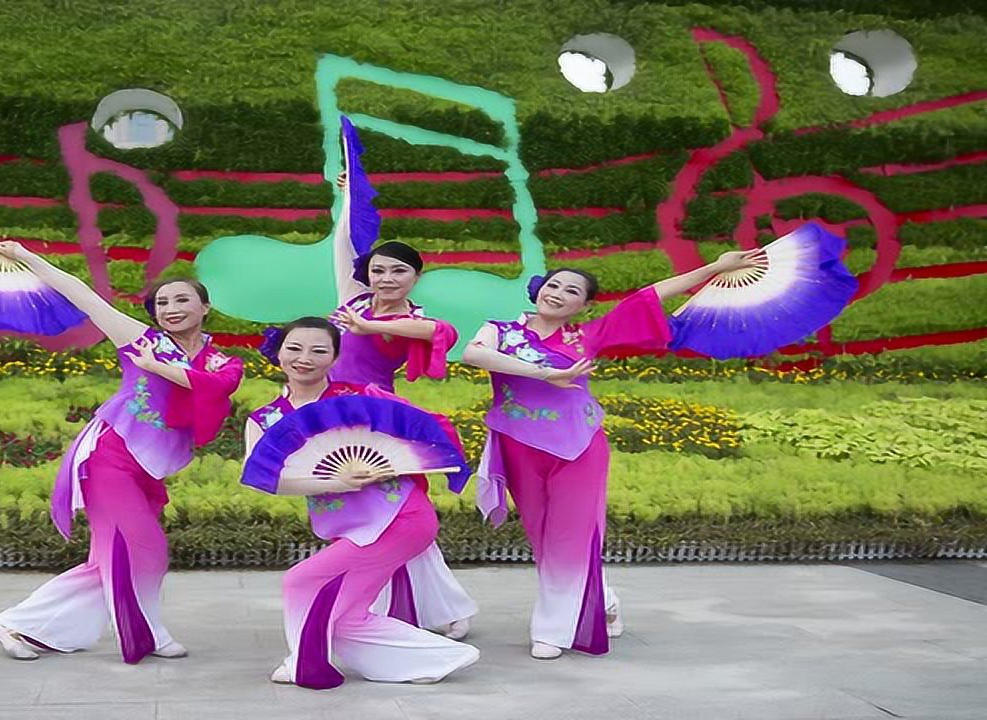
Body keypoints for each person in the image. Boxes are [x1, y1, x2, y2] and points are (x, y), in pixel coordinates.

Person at [462, 251, 760, 659]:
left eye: (572, 291)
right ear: (538, 290)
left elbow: (648, 297)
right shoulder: (499, 330)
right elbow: (473, 355)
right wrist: (545, 373)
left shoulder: (589, 335)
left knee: (570, 534)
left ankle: (553, 630)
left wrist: (714, 268)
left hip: (579, 445)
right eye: (553, 285)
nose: (558, 293)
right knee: (542, 536)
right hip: (517, 444)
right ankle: (605, 600)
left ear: (585, 306)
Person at [0, 241, 243, 664]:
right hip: (110, 456)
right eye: (162, 303)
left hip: (148, 468)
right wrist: (25, 256)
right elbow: (82, 294)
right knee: (147, 548)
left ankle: (17, 623)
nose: (171, 309)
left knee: (110, 557)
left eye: (182, 299)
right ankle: (149, 632)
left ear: (205, 307)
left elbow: (220, 387)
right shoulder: (141, 340)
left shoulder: (218, 361)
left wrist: (158, 368)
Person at [242, 316, 479, 689]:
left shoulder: (362, 397)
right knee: (345, 617)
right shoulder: (265, 419)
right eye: (295, 348)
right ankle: (435, 658)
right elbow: (266, 479)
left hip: (400, 514)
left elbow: (424, 429)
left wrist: (391, 465)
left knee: (302, 580)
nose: (304, 358)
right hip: (350, 527)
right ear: (278, 353)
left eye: (319, 351)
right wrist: (334, 481)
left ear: (335, 357)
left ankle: (301, 661)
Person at [326, 168, 477, 640]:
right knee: (354, 512)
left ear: (415, 278)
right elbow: (342, 248)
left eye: (398, 271)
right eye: (378, 270)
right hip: (328, 414)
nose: (386, 278)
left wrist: (370, 327)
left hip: (375, 415)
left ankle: (437, 606)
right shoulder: (354, 301)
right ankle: (368, 602)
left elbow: (441, 333)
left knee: (396, 509)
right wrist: (349, 201)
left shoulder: (413, 318)